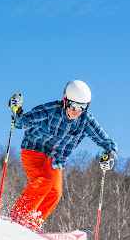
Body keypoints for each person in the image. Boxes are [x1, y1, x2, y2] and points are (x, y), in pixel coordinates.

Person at [7, 80, 118, 232]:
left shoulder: (85, 120)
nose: (76, 110)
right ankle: (18, 218)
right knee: (44, 181)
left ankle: (32, 222)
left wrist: (110, 154)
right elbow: (21, 123)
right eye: (73, 105)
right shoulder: (50, 111)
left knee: (55, 191)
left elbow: (107, 141)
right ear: (65, 100)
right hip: (34, 149)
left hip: (56, 159)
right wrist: (16, 109)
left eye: (82, 107)